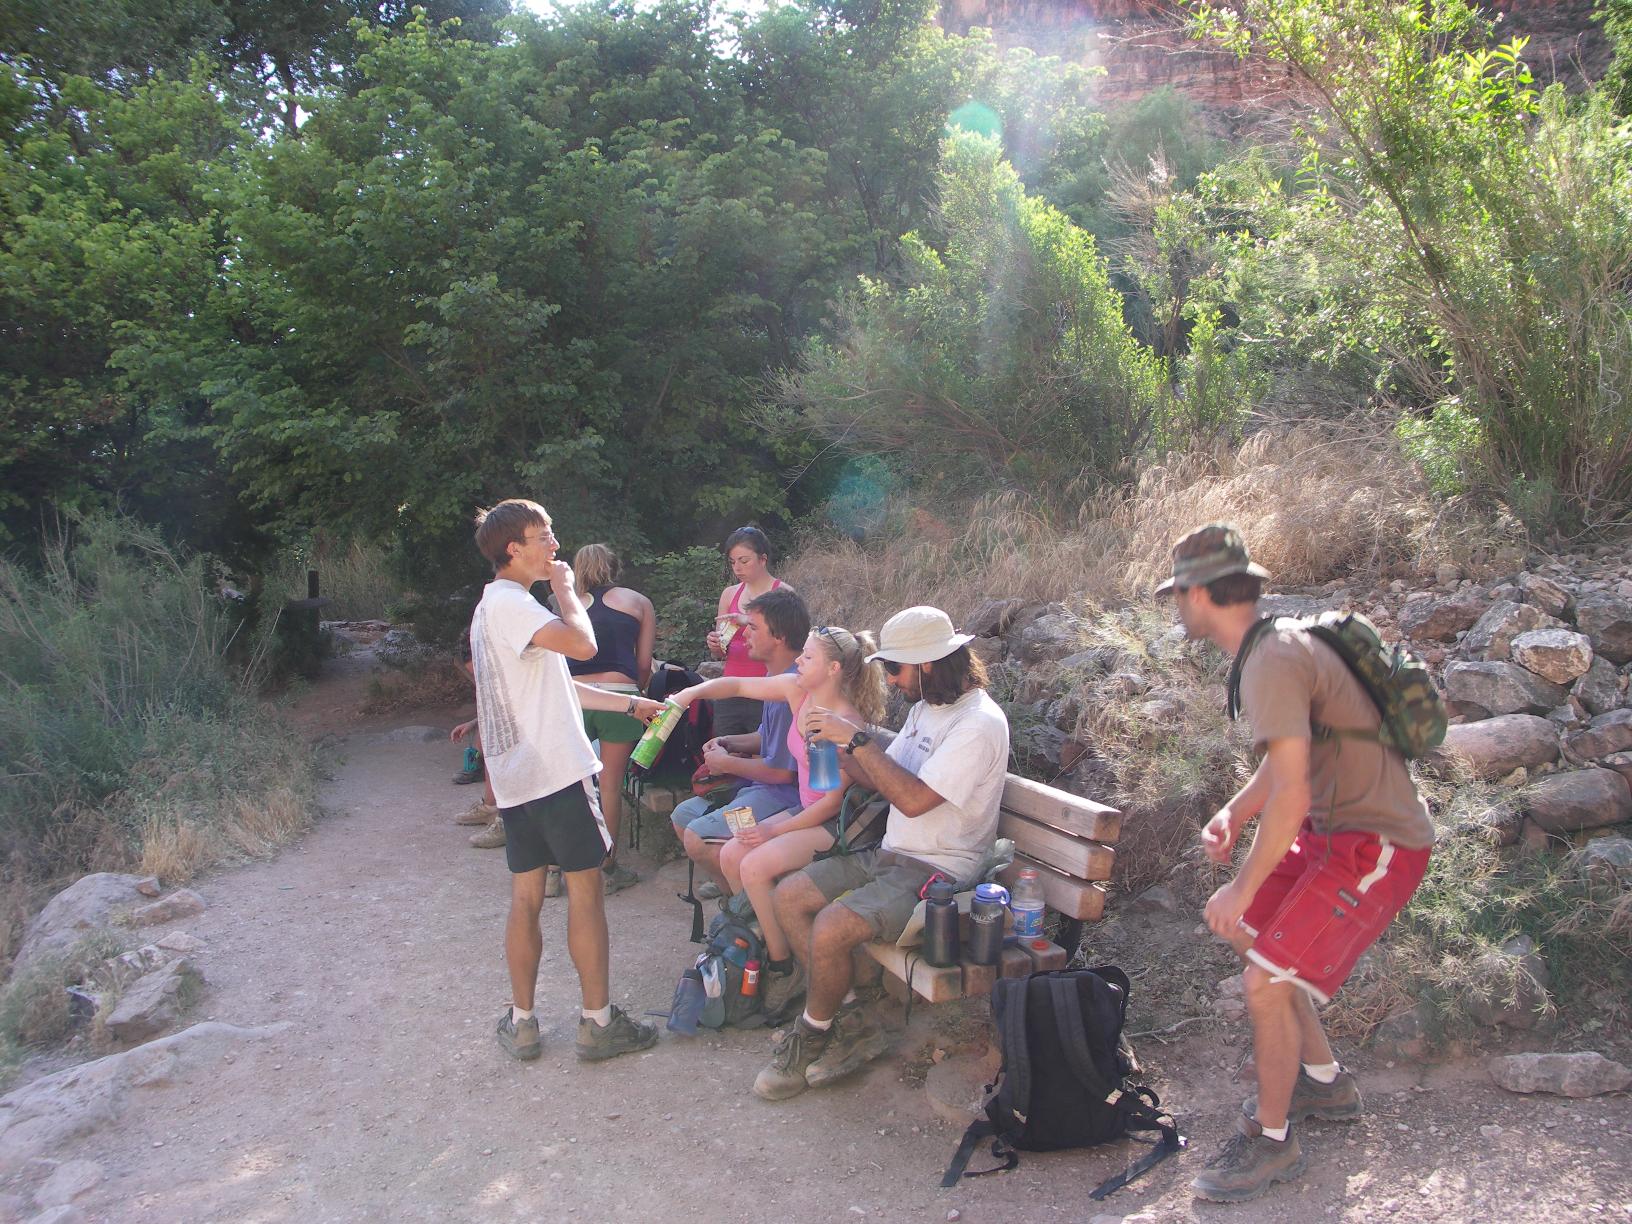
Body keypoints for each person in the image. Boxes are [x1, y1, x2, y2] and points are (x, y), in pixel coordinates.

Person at [1157, 524, 1434, 1203]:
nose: (1177, 606)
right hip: (1334, 833)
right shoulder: (1274, 645)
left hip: (1377, 843)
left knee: (1264, 980)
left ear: (1200, 594)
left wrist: (1241, 883)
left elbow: (1293, 794)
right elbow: (1292, 762)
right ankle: (1323, 1083)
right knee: (1256, 942)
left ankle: (1272, 1142)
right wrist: (1236, 811)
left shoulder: (1271, 660)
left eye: (1178, 594)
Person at [753, 606, 1010, 1101]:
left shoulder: (977, 724)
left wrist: (857, 739)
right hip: (892, 853)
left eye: (895, 668)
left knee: (831, 925)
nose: (890, 679)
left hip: (940, 872)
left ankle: (811, 1035)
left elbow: (913, 800)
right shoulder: (927, 707)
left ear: (929, 664)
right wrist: (840, 750)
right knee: (790, 896)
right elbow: (885, 782)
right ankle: (851, 1017)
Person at [468, 498, 664, 1064]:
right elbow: (584, 646)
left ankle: (522, 1023)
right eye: (544, 535)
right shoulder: (517, 604)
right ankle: (598, 1023)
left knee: (526, 897)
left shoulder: (494, 607)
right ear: (514, 549)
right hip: (555, 771)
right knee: (585, 892)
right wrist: (567, 591)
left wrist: (630, 706)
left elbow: (557, 683)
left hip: (518, 778)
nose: (555, 545)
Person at [672, 623, 887, 1017]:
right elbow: (738, 685)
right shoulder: (797, 692)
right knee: (732, 854)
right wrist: (691, 693)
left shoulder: (834, 721)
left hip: (834, 825)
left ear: (834, 668)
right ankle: (762, 940)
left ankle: (782, 965)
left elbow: (829, 804)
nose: (798, 661)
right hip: (807, 811)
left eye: (808, 656)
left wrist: (772, 829)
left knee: (753, 864)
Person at [668, 587, 810, 899]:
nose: (744, 634)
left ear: (779, 637)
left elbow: (783, 774)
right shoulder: (776, 678)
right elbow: (765, 737)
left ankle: (749, 910)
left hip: (783, 799)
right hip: (759, 790)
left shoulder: (791, 689)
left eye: (753, 628)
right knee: (683, 817)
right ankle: (735, 901)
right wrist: (728, 742)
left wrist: (727, 763)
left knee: (698, 836)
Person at [564, 544, 656, 896]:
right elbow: (644, 663)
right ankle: (608, 868)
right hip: (620, 699)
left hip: (573, 697)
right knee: (610, 786)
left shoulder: (565, 604)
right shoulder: (639, 602)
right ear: (615, 567)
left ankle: (558, 867)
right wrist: (637, 694)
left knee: (566, 785)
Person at [705, 526, 789, 738]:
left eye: (744, 561)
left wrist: (749, 621)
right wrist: (715, 644)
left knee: (764, 749)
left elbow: (791, 645)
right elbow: (721, 652)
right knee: (723, 747)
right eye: (733, 562)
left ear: (763, 559)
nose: (737, 568)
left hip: (767, 689)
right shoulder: (729, 594)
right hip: (730, 688)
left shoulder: (783, 594)